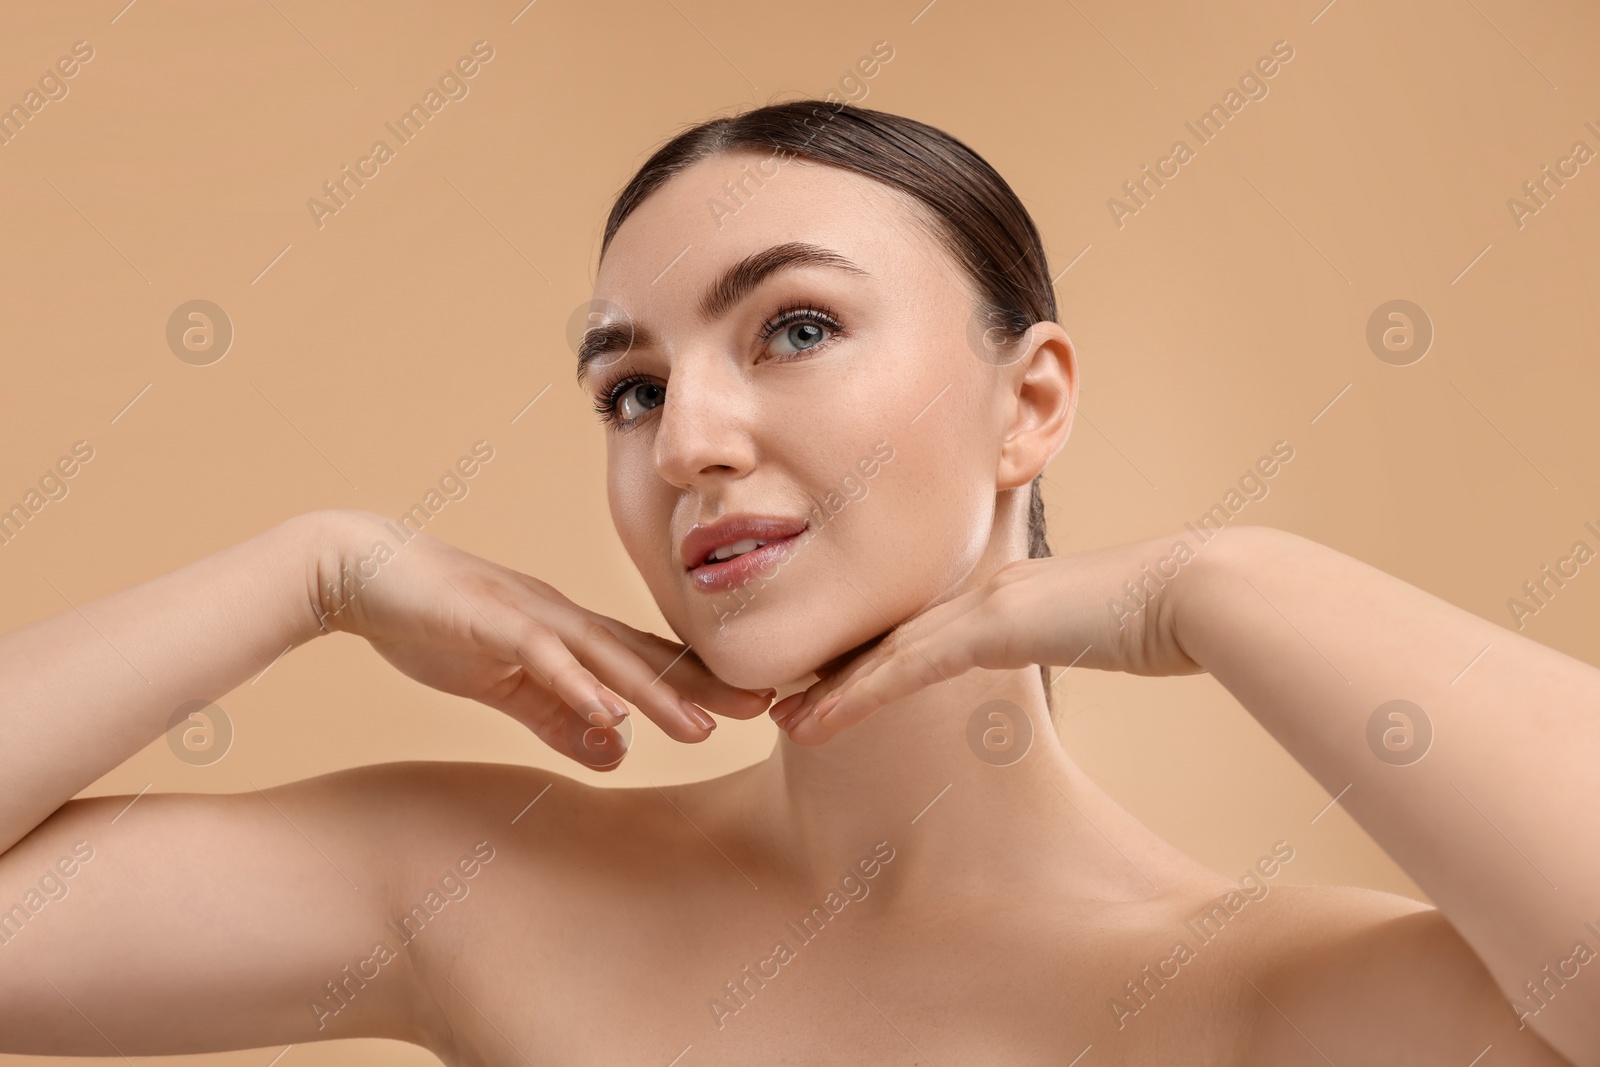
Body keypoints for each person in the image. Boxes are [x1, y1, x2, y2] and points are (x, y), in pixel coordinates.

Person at [1, 100, 1594, 1066]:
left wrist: (1218, 584)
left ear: (1031, 401)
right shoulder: (479, 888)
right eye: (629, 388)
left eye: (797, 327)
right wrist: (315, 571)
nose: (687, 437)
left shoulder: (1272, 993)